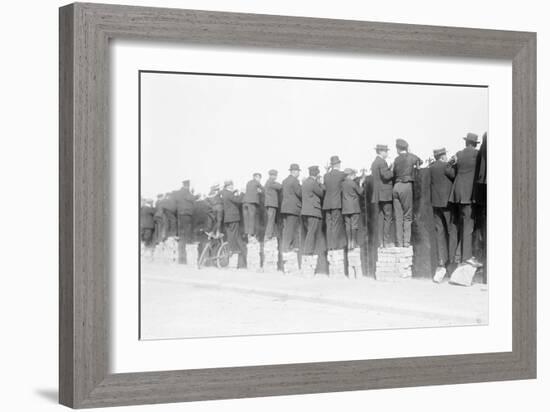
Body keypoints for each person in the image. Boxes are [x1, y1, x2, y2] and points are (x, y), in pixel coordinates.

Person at [448, 132, 483, 268]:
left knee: (457, 226)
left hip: (456, 194)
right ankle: (466, 257)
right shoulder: (477, 154)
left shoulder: (458, 154)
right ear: (474, 144)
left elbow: (449, 168)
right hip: (468, 195)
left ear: (466, 142)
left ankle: (455, 258)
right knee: (468, 226)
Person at [429, 148, 458, 271]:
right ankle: (452, 261)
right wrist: (453, 163)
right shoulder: (446, 165)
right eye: (446, 155)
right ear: (442, 156)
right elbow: (454, 175)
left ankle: (441, 260)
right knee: (451, 231)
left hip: (436, 204)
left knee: (440, 232)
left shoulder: (432, 167)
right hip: (447, 204)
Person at [392, 138, 423, 247]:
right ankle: (406, 242)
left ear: (398, 149)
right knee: (407, 216)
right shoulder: (411, 157)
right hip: (406, 185)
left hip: (396, 186)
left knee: (398, 217)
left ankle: (399, 242)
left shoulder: (396, 159)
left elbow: (393, 172)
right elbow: (421, 161)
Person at [371, 144, 394, 248]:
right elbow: (386, 176)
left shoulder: (375, 162)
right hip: (385, 194)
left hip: (378, 194)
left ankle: (380, 242)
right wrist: (392, 170)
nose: (387, 153)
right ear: (381, 152)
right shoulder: (382, 162)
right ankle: (386, 241)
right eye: (386, 151)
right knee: (388, 216)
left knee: (380, 218)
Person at [322, 155, 348, 250]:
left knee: (329, 225)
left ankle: (330, 246)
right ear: (338, 164)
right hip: (336, 203)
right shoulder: (341, 174)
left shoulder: (326, 175)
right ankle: (335, 245)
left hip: (327, 204)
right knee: (336, 225)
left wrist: (327, 170)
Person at [220, 180, 247, 268]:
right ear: (229, 186)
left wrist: (234, 191)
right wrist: (242, 193)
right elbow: (238, 200)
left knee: (230, 234)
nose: (233, 186)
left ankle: (232, 248)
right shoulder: (229, 194)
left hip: (227, 218)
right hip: (233, 217)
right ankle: (234, 249)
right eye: (232, 185)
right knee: (235, 234)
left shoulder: (224, 193)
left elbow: (230, 198)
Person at [301, 166, 326, 256]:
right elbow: (321, 193)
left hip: (305, 211)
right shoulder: (314, 183)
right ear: (316, 174)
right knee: (311, 232)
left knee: (309, 231)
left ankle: (311, 250)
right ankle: (308, 251)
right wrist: (321, 183)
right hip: (314, 211)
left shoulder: (305, 182)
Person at [173, 180, 198, 264]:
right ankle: (183, 260)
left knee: (181, 237)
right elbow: (193, 200)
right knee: (185, 237)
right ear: (188, 186)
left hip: (178, 216)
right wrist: (194, 194)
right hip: (187, 217)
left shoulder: (177, 193)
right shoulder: (188, 193)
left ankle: (181, 259)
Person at [342, 168, 365, 250]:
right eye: (353, 174)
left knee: (347, 225)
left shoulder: (342, 184)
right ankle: (354, 243)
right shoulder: (353, 183)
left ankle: (349, 243)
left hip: (345, 208)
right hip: (354, 207)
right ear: (350, 175)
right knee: (354, 225)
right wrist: (361, 184)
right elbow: (360, 192)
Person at [281, 163, 302, 252]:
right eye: (298, 171)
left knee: (287, 228)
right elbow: (299, 193)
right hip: (293, 208)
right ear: (295, 171)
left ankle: (288, 246)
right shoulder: (295, 181)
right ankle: (288, 247)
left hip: (285, 208)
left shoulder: (285, 180)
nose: (299, 173)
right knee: (292, 228)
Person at [243, 173, 263, 240]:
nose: (260, 180)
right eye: (260, 178)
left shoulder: (248, 182)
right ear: (257, 177)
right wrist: (260, 192)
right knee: (252, 219)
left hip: (245, 202)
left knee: (246, 219)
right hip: (251, 203)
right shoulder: (257, 183)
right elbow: (263, 190)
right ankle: (251, 235)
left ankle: (246, 233)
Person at [264, 169, 282, 241]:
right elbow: (280, 186)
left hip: (270, 204)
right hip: (271, 204)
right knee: (271, 220)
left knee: (271, 219)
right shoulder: (271, 182)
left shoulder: (268, 182)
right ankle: (268, 235)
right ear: (272, 176)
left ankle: (272, 234)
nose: (276, 177)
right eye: (275, 176)